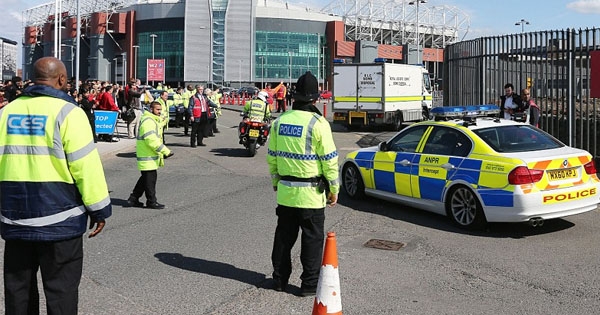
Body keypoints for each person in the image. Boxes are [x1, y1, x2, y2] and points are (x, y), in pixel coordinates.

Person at [0, 57, 112, 314]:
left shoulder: (5, 112)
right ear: (61, 79)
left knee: (18, 293)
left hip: (15, 220)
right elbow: (86, 166)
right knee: (61, 293)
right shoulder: (69, 113)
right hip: (60, 220)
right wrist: (99, 210)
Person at [267, 71, 340, 297]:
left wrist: (277, 182)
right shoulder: (318, 123)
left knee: (283, 238)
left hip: (286, 193)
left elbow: (272, 157)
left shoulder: (280, 122)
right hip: (311, 194)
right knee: (312, 240)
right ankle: (308, 285)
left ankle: (279, 280)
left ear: (294, 97)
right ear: (315, 99)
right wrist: (334, 189)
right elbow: (329, 161)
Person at [126, 101, 173, 209]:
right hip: (147, 156)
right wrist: (165, 151)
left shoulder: (151, 120)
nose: (159, 112)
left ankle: (133, 199)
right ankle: (151, 201)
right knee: (150, 181)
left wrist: (163, 121)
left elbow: (156, 129)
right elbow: (151, 139)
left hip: (149, 156)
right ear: (151, 109)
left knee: (145, 179)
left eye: (160, 109)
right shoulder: (148, 121)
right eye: (157, 109)